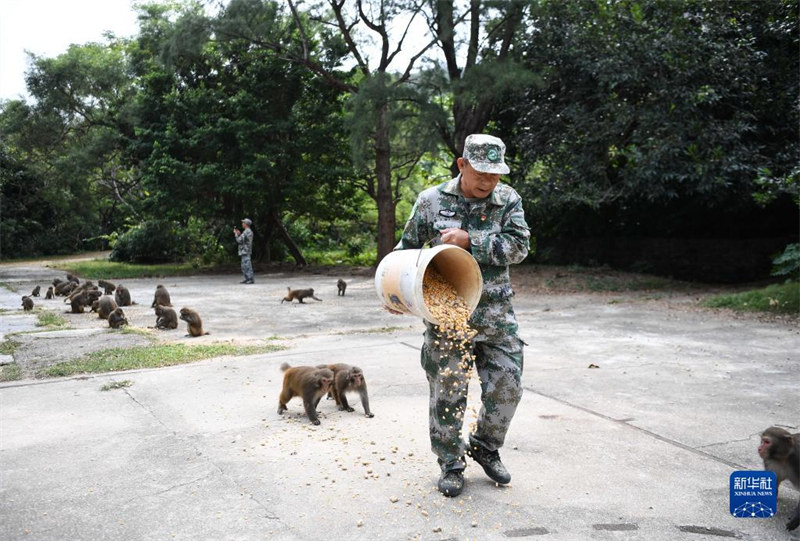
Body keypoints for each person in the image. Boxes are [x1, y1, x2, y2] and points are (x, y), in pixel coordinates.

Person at [394, 134, 531, 497]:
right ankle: (451, 464)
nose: (488, 181)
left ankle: (485, 446)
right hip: (446, 316)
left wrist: (472, 240)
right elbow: (404, 251)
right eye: (481, 172)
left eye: (495, 174)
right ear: (462, 164)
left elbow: (519, 247)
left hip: (496, 317)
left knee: (508, 386)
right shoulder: (431, 201)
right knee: (448, 391)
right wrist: (395, 291)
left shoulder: (508, 200)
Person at [234, 218, 255, 284]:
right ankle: (247, 278)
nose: (242, 224)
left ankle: (250, 279)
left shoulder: (247, 231)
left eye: (243, 223)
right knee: (244, 266)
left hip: (246, 251)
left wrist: (236, 234)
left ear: (246, 224)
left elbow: (239, 240)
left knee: (247, 265)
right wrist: (239, 234)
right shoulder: (246, 231)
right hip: (245, 251)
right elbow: (243, 239)